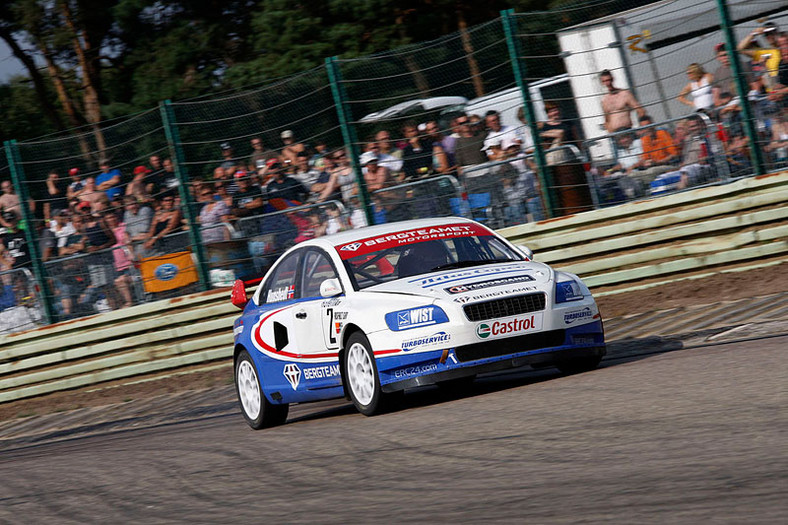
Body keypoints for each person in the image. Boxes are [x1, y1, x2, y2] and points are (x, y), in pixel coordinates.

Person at [599, 69, 645, 133]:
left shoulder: (624, 94)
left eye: (608, 80)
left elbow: (640, 111)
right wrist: (610, 133)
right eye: (604, 81)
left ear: (612, 79)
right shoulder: (605, 100)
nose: (607, 83)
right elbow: (607, 121)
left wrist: (641, 128)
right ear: (602, 83)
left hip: (627, 131)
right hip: (615, 135)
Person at [104, 211, 133, 308]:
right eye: (109, 218)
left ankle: (129, 302)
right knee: (116, 284)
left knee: (123, 281)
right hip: (115, 264)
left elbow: (127, 240)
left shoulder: (123, 226)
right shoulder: (106, 231)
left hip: (127, 261)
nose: (111, 220)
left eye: (112, 217)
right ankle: (120, 304)